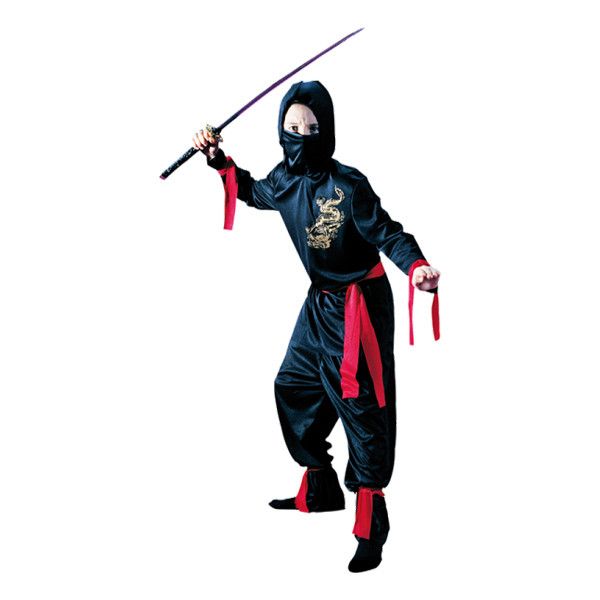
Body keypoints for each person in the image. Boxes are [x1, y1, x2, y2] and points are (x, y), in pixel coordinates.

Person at [192, 81, 440, 573]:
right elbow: (251, 191)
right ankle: (321, 488)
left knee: (363, 408)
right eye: (292, 127)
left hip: (360, 306)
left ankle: (371, 527)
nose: (301, 136)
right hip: (320, 301)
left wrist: (416, 267)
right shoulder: (284, 180)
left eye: (311, 128)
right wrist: (217, 158)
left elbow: (389, 232)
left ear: (326, 131)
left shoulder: (349, 185)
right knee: (293, 384)